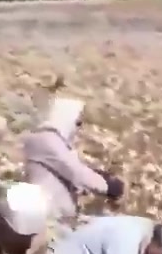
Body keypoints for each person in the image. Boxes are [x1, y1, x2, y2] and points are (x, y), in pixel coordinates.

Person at [22, 97, 124, 226]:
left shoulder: (54, 142)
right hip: (47, 217)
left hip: (54, 216)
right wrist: (110, 187)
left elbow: (68, 172)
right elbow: (76, 173)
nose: (78, 128)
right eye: (78, 123)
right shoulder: (47, 140)